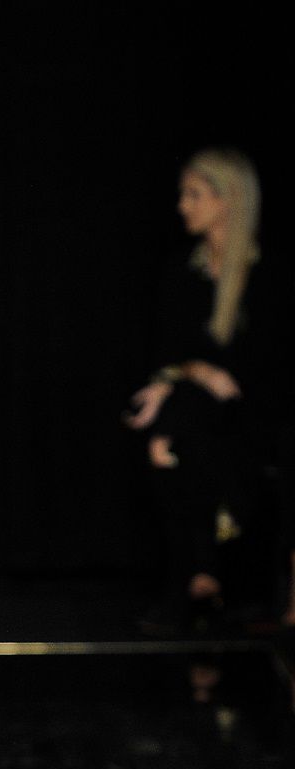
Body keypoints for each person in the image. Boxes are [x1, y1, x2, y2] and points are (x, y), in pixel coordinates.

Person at [126, 148, 289, 631]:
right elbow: (168, 353)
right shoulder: (184, 270)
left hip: (257, 405)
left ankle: (198, 575)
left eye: (194, 194)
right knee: (175, 431)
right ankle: (206, 574)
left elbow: (262, 368)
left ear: (228, 200)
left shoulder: (269, 273)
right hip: (199, 407)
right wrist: (183, 376)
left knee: (172, 440)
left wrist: (188, 380)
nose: (182, 205)